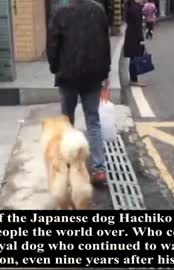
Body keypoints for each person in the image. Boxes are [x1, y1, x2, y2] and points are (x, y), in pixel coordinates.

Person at [47, 0, 111, 184]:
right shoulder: (98, 11)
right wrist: (105, 72)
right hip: (93, 76)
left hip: (67, 76)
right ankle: (99, 170)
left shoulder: (61, 13)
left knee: (67, 121)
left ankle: (67, 166)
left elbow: (53, 45)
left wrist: (55, 68)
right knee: (93, 122)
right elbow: (105, 44)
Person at [124, 0, 146, 87]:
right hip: (134, 36)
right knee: (135, 58)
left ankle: (133, 79)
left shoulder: (130, 6)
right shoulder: (136, 8)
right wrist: (141, 39)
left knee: (133, 57)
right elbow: (138, 25)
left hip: (130, 34)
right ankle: (134, 80)